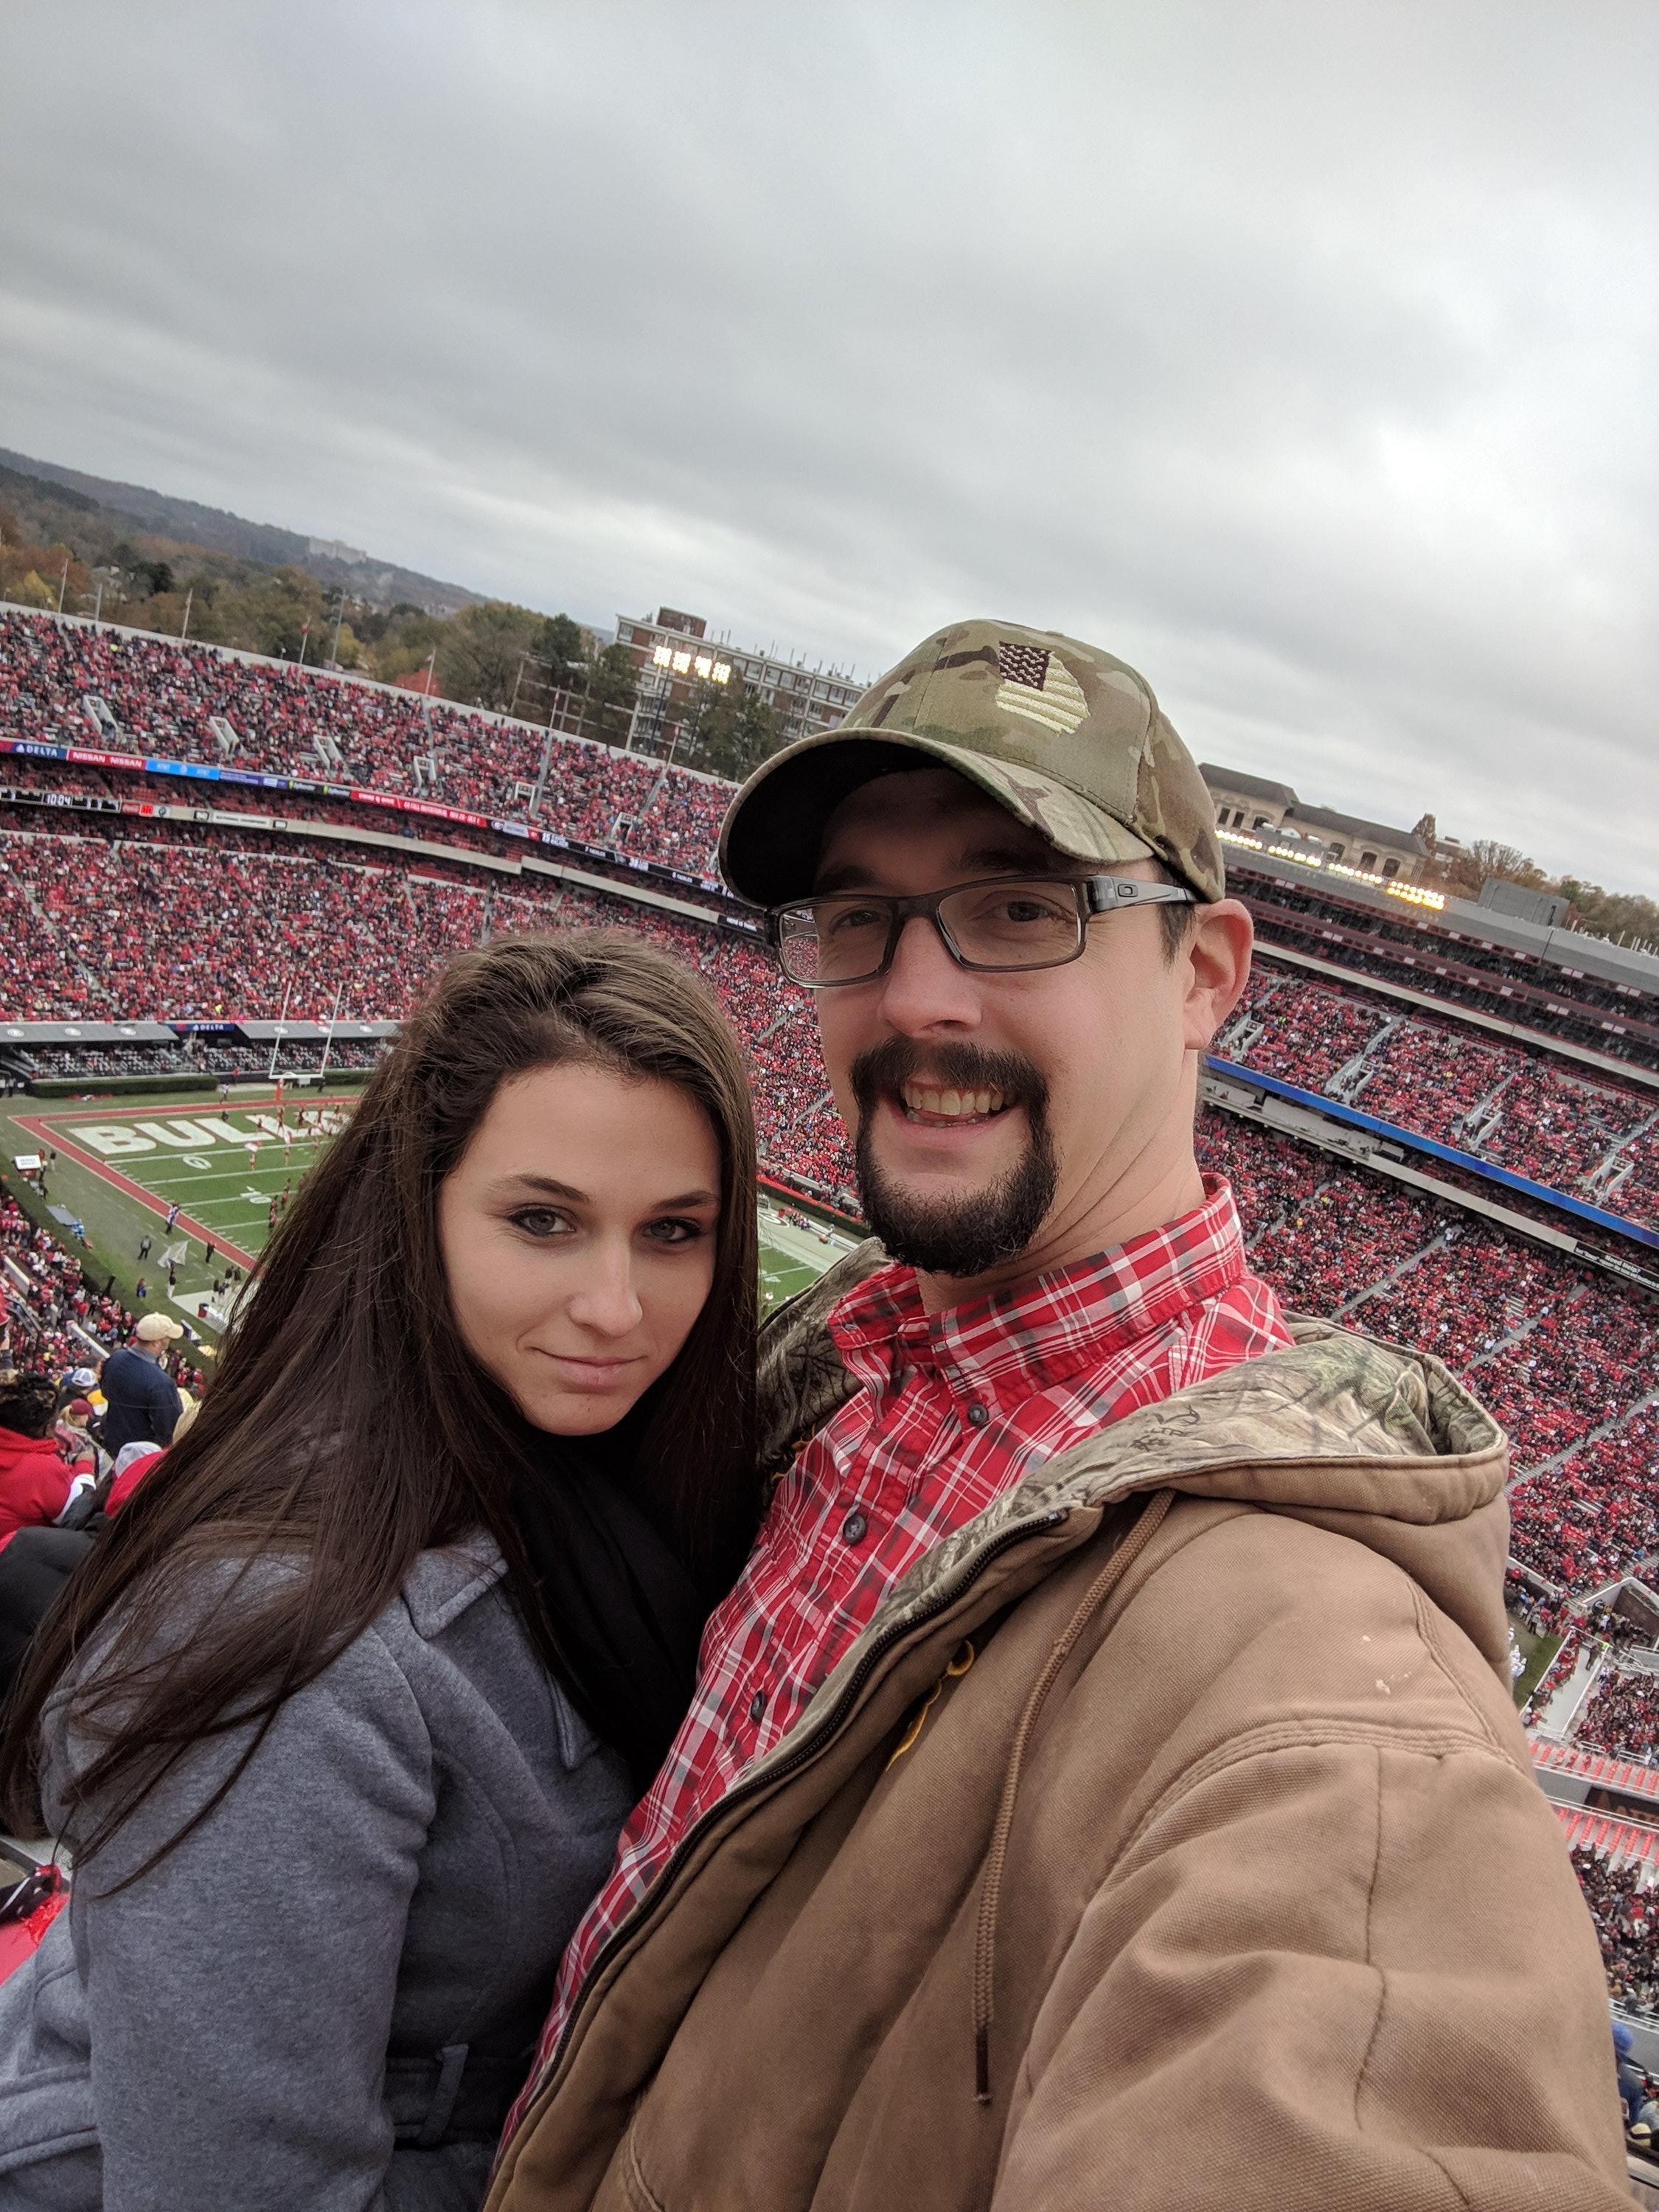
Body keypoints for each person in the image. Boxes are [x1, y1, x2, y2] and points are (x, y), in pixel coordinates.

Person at [490, 622, 1630, 2210]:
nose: (916, 996)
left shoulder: (1330, 1716)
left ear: (1205, 976)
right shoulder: (847, 1370)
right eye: (860, 918)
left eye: (1021, 909)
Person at [0, 931, 761, 2212]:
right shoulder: (287, 1642)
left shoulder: (602, 1484)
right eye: (542, 1220)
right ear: (417, 1213)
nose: (617, 1307)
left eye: (675, 1231)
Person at [0, 1373, 99, 1547]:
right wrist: (85, 1469)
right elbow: (77, 1514)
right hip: (14, 1556)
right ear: (48, 1428)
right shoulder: (40, 1468)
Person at [97, 1312, 184, 1460]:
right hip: (137, 1456)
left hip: (111, 1439)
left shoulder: (116, 1357)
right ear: (156, 1343)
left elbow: (105, 1391)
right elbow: (171, 1430)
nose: (169, 1342)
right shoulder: (160, 1382)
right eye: (167, 1338)